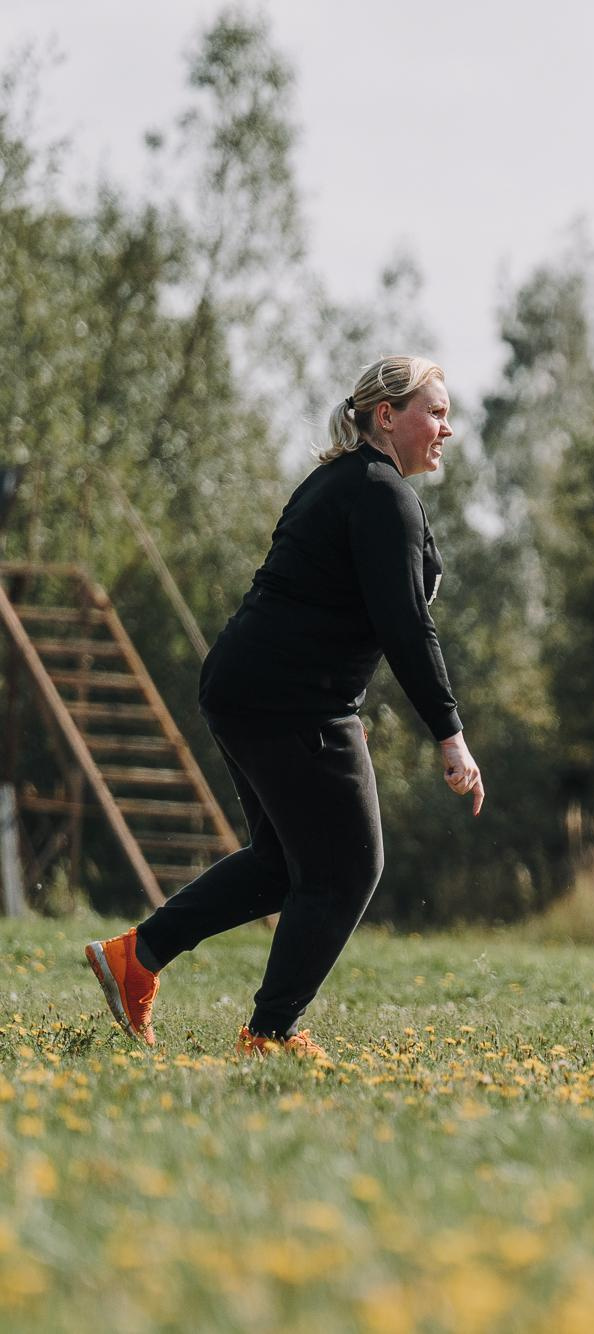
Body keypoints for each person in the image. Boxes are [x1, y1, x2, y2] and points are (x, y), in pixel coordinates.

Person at [83, 355, 485, 1058]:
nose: (447, 429)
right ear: (386, 416)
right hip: (292, 700)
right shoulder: (378, 494)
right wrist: (450, 734)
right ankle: (270, 1033)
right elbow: (404, 625)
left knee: (283, 863)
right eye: (436, 411)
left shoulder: (344, 484)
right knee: (346, 870)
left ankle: (135, 959)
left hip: (247, 687)